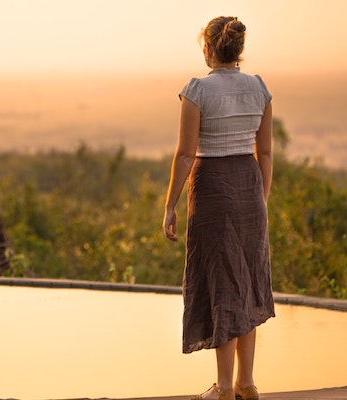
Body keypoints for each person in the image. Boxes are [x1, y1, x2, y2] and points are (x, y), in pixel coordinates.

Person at [162, 16, 275, 400]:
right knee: (246, 281)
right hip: (249, 185)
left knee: (223, 283)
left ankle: (225, 387)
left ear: (208, 49)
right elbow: (267, 152)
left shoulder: (197, 91)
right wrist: (261, 199)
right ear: (238, 51)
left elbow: (184, 155)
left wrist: (170, 206)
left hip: (211, 188)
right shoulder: (259, 88)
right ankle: (247, 382)